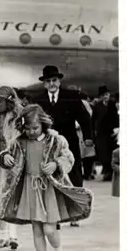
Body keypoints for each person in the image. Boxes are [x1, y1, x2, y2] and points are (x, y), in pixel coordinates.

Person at [0, 104, 93, 251]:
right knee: (37, 229)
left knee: (49, 229)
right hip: (29, 188)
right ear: (22, 126)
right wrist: (5, 157)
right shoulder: (18, 142)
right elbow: (5, 154)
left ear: (43, 124)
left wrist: (57, 164)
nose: (31, 131)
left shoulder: (56, 141)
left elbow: (68, 157)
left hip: (48, 189)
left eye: (35, 128)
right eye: (28, 128)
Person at [33, 65, 93, 227]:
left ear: (59, 81)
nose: (52, 83)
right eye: (48, 81)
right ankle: (55, 215)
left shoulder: (71, 96)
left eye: (54, 80)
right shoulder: (39, 100)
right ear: (44, 83)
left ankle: (76, 212)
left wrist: (88, 138)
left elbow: (85, 118)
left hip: (70, 143)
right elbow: (33, 122)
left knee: (74, 175)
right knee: (50, 176)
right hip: (48, 144)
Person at [0, 86, 23, 250]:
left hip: (12, 160)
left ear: (9, 101)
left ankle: (13, 234)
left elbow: (21, 139)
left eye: (0, 101)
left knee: (12, 196)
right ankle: (3, 235)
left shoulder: (17, 117)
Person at [92, 85, 119, 181]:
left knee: (111, 152)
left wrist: (117, 128)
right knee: (103, 153)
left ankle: (110, 172)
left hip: (111, 132)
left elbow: (116, 118)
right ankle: (107, 171)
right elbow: (94, 119)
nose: (105, 96)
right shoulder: (97, 106)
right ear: (101, 96)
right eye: (103, 95)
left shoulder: (113, 104)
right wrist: (94, 130)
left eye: (107, 94)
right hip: (101, 132)